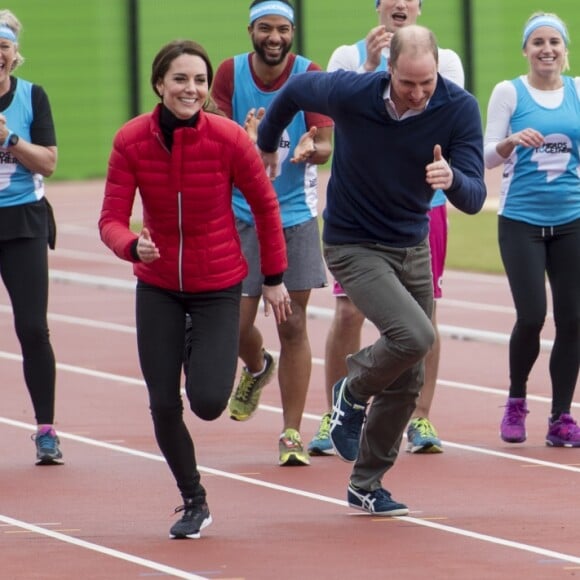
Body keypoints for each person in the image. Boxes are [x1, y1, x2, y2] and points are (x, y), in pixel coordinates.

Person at [257, 25, 486, 515]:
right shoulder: (353, 90)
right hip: (352, 242)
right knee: (415, 336)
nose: (419, 93)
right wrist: (267, 141)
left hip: (411, 242)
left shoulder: (457, 107)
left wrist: (453, 180)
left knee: (408, 374)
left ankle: (366, 482)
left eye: (427, 83)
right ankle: (351, 387)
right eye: (408, 83)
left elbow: (476, 196)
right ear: (389, 70)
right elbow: (295, 90)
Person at [99, 39, 290, 539]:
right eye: (181, 79)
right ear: (159, 84)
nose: (191, 89)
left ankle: (213, 349)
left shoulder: (228, 138)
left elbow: (267, 208)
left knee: (206, 401)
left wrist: (272, 278)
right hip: (158, 285)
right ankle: (193, 499)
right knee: (163, 402)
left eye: (200, 80)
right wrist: (129, 246)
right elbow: (111, 219)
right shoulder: (131, 140)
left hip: (216, 283)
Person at [308, 0, 464, 457]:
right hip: (361, 209)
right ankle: (335, 410)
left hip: (423, 204)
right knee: (348, 312)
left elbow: (446, 117)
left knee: (423, 316)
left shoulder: (445, 59)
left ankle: (419, 416)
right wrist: (372, 68)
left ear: (419, 7)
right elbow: (334, 115)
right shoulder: (346, 55)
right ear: (377, 6)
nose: (400, 3)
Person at [211, 0, 333, 467]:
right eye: (266, 28)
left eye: (283, 29)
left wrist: (311, 147)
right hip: (240, 213)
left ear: (293, 32)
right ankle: (258, 366)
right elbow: (217, 133)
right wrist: (241, 137)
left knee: (293, 323)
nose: (274, 37)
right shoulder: (229, 73)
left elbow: (324, 142)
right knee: (235, 326)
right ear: (251, 31)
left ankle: (290, 433)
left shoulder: (310, 74)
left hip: (295, 215)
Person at [485, 12, 580, 448]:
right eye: (538, 42)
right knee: (530, 315)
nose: (547, 49)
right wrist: (508, 143)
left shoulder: (578, 91)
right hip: (521, 221)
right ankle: (516, 401)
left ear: (565, 49)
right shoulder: (509, 92)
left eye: (554, 42)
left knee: (573, 319)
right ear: (526, 50)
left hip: (572, 221)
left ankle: (561, 417)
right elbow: (485, 156)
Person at [0, 10, 61, 465]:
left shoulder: (32, 97)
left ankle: (45, 430)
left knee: (32, 328)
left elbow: (48, 162)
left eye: (3, 46)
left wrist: (10, 139)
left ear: (14, 54)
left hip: (23, 222)